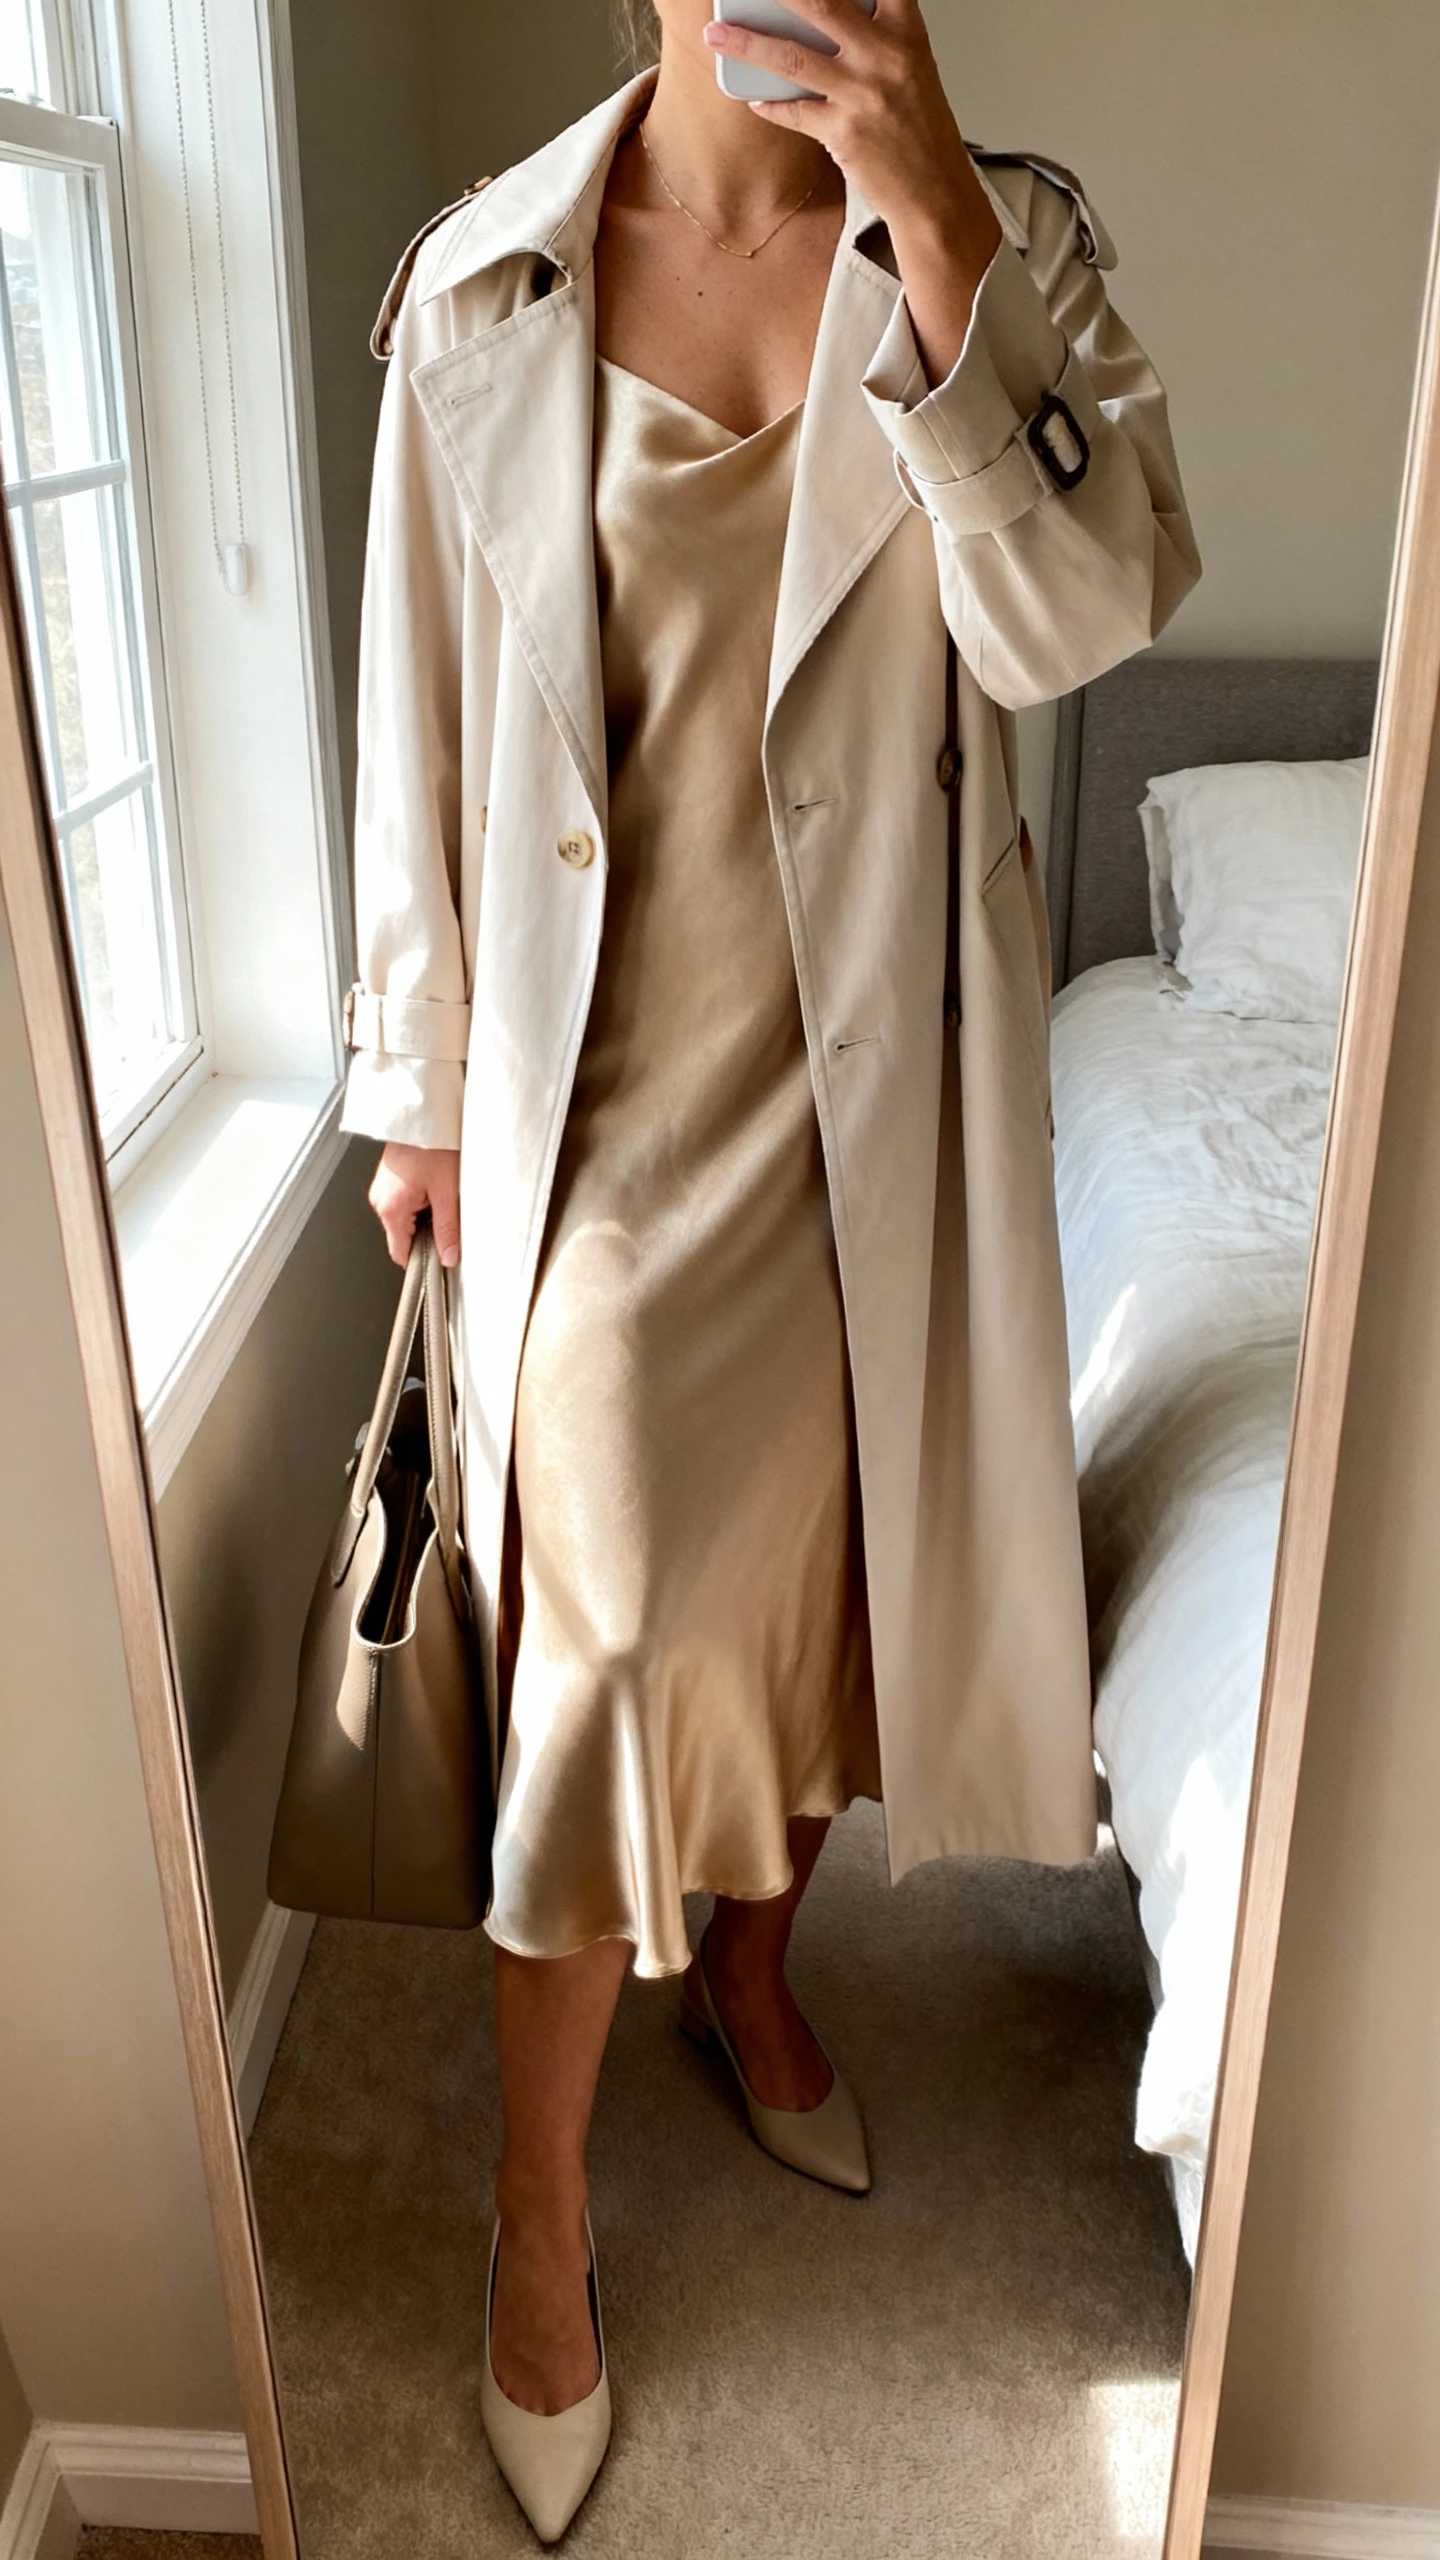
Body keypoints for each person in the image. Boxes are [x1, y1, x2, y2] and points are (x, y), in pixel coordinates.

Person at [342, 0, 1199, 2537]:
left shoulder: (1007, 245)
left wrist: (930, 215)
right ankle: (534, 2213)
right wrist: (415, 1078)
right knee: (600, 1648)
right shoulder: (486, 279)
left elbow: (1086, 621)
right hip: (598, 1113)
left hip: (881, 1091)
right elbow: (410, 706)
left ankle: (748, 1962)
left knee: (814, 1594)